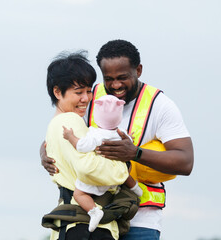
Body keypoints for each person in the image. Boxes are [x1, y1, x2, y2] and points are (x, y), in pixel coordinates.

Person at [41, 40, 194, 240]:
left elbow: (186, 161)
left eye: (122, 77)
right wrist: (44, 153)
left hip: (141, 220)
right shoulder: (91, 96)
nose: (115, 85)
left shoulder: (160, 106)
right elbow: (65, 131)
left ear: (138, 70)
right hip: (95, 218)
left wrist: (135, 153)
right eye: (108, 78)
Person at [43, 50, 134, 240]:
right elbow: (89, 168)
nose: (86, 98)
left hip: (72, 226)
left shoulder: (56, 124)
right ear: (57, 92)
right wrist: (124, 167)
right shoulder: (71, 121)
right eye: (78, 93)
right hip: (87, 228)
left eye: (88, 91)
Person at [62, 94, 143, 233]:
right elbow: (129, 139)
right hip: (116, 178)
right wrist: (130, 138)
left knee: (79, 194)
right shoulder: (120, 132)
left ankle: (94, 211)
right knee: (124, 172)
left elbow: (81, 146)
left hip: (100, 176)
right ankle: (136, 188)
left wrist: (70, 137)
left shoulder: (95, 135)